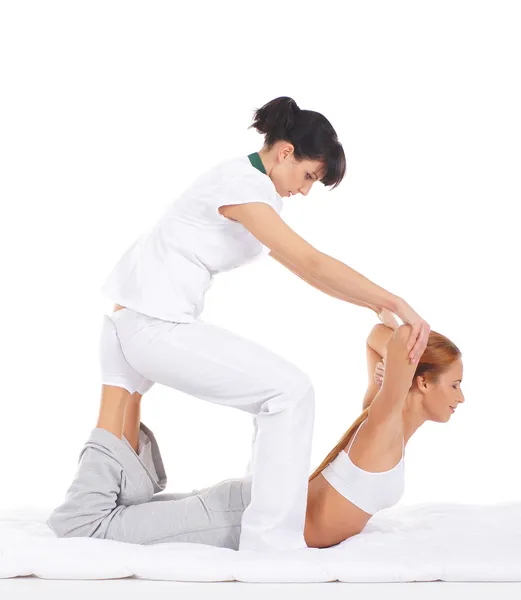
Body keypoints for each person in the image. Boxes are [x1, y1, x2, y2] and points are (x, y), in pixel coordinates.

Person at [93, 96, 431, 551]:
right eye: (309, 175)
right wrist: (392, 300)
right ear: (285, 151)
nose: (306, 190)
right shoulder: (242, 183)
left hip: (143, 322)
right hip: (152, 326)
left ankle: (257, 518)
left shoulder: (253, 186)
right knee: (289, 392)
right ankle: (271, 544)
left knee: (284, 392)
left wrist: (372, 306)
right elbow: (309, 261)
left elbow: (304, 268)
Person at [47, 318, 462, 550]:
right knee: (83, 529)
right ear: (422, 383)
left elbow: (378, 337)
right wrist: (398, 365)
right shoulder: (385, 419)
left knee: (123, 518)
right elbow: (392, 335)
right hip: (238, 518)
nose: (461, 397)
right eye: (455, 384)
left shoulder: (382, 415)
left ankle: (129, 396)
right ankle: (118, 388)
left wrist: (394, 367)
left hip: (250, 505)